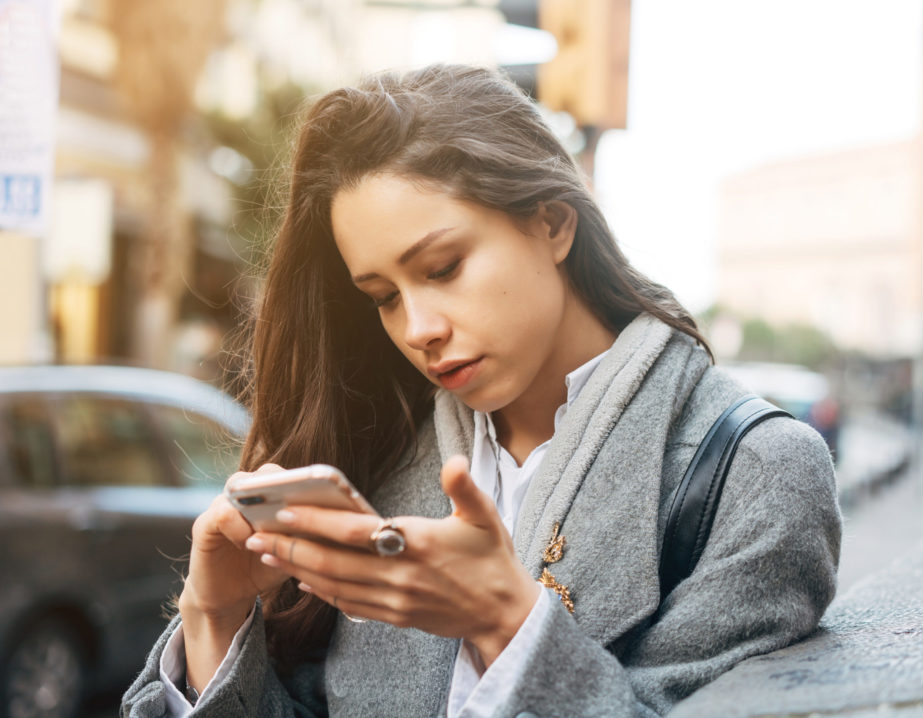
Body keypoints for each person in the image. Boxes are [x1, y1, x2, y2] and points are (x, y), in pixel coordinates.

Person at [122, 64, 841, 718]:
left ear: (553, 222)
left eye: (441, 267)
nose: (418, 328)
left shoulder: (753, 477)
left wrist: (507, 624)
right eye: (382, 296)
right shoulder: (383, 461)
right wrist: (212, 617)